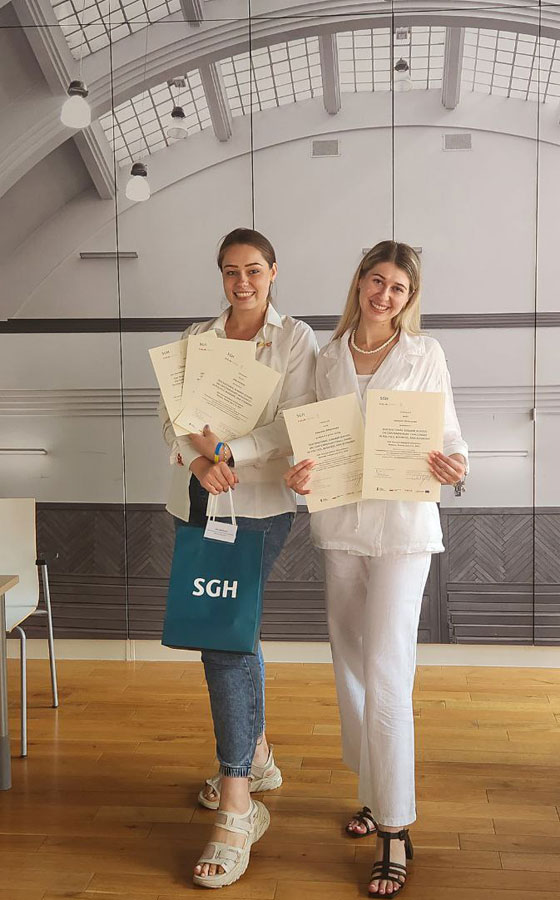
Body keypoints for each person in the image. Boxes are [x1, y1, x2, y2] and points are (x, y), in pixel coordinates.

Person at [284, 241, 468, 898]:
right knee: (352, 669)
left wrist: (457, 464)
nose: (384, 296)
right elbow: (308, 441)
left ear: (409, 298)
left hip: (403, 530)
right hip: (340, 529)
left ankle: (395, 826)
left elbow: (449, 435)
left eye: (398, 288)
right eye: (377, 281)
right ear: (359, 282)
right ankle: (373, 790)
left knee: (389, 670)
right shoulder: (327, 357)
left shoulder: (425, 354)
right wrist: (298, 471)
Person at [159, 227, 319, 889]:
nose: (242, 282)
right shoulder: (197, 337)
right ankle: (256, 758)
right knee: (233, 629)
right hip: (199, 501)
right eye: (231, 271)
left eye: (254, 270)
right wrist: (199, 461)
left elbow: (294, 421)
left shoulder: (295, 339)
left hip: (259, 505)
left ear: (273, 272)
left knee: (222, 639)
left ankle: (237, 804)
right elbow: (172, 416)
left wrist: (231, 453)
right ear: (220, 275)